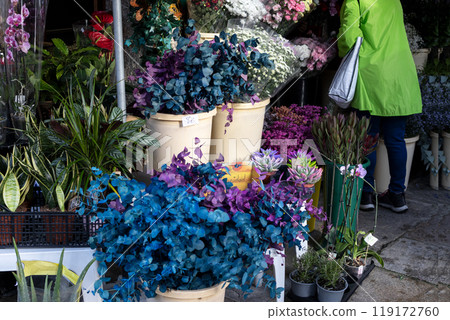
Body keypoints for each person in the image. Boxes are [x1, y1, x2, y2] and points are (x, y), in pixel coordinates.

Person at [337, 0, 422, 213]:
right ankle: (397, 195)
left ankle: (366, 193)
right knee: (396, 138)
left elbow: (349, 37)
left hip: (371, 74)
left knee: (369, 137)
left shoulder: (354, 1)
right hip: (398, 73)